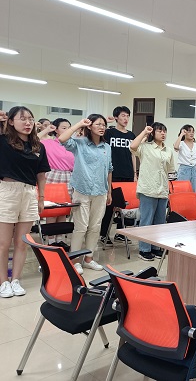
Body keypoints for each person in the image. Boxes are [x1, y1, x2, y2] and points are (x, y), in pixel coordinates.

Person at [0, 107, 50, 298]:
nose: (28, 123)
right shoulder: (3, 141)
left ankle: (15, 280)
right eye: (22, 119)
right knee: (3, 243)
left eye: (30, 119)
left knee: (22, 242)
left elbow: (41, 174)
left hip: (29, 193)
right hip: (7, 191)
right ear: (11, 122)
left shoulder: (38, 146)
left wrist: (41, 198)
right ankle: (3, 282)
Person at [59, 115, 112, 275]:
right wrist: (79, 124)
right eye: (98, 124)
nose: (102, 127)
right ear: (90, 126)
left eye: (104, 125)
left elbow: (109, 169)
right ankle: (75, 260)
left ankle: (89, 259)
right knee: (81, 227)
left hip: (101, 191)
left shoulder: (106, 147)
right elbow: (62, 139)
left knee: (95, 227)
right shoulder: (79, 143)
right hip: (82, 190)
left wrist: (109, 191)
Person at [131, 123, 175, 261]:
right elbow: (133, 146)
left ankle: (156, 247)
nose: (163, 133)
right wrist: (144, 132)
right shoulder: (145, 147)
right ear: (153, 133)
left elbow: (170, 170)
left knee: (160, 221)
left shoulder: (168, 150)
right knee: (146, 220)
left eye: (164, 131)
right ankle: (144, 249)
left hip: (162, 190)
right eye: (160, 131)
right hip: (148, 189)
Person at [99, 106, 136, 247]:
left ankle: (121, 233)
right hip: (112, 174)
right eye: (123, 116)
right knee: (110, 205)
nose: (126, 119)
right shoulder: (109, 133)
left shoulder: (131, 135)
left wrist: (134, 174)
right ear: (116, 117)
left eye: (127, 116)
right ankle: (104, 234)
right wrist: (105, 121)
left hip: (127, 174)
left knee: (125, 206)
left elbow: (133, 155)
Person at [41, 118, 75, 249]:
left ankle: (60, 239)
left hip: (69, 176)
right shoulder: (49, 142)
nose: (67, 130)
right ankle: (51, 240)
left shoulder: (73, 144)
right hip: (53, 175)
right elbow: (33, 140)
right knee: (52, 210)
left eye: (69, 127)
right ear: (56, 130)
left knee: (63, 209)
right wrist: (46, 130)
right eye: (64, 128)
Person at [174, 124, 196, 192]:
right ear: (185, 132)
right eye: (189, 131)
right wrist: (181, 134)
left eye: (193, 131)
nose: (191, 133)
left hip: (194, 170)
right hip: (184, 169)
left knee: (192, 192)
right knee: (182, 191)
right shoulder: (181, 143)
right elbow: (176, 147)